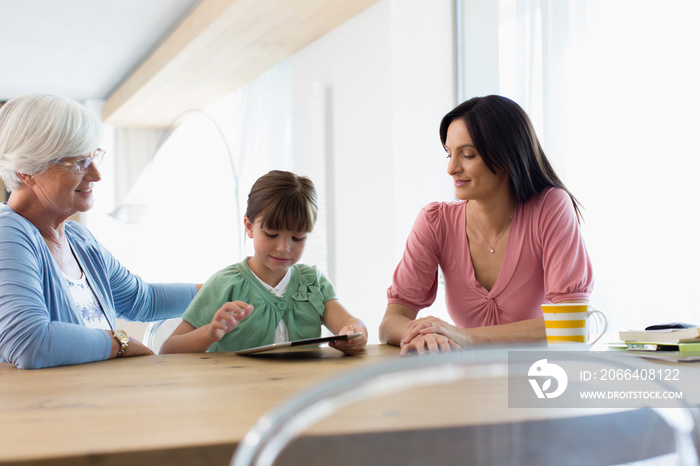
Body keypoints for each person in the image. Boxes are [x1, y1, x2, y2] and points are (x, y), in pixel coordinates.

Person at [379, 95, 593, 356]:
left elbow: (571, 326)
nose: (451, 168)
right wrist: (426, 334)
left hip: (541, 378)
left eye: (468, 155)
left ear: (506, 155)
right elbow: (391, 321)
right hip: (469, 382)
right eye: (449, 154)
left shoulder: (550, 207)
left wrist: (463, 337)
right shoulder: (435, 221)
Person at [0, 93, 198, 369]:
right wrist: (121, 343)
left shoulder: (79, 239)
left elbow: (141, 300)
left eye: (93, 157)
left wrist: (229, 287)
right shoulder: (8, 232)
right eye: (78, 163)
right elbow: (30, 342)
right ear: (26, 171)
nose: (96, 175)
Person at [160, 170, 368, 355]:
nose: (284, 248)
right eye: (271, 234)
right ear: (249, 227)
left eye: (297, 238)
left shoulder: (312, 282)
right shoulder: (225, 284)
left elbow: (349, 323)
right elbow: (168, 350)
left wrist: (356, 332)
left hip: (302, 395)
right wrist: (209, 332)